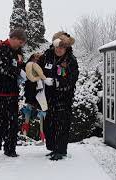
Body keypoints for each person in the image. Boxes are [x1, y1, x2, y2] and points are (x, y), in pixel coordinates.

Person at [0, 29, 27, 162]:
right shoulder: (0, 48)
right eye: (20, 42)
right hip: (0, 92)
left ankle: (10, 149)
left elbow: (21, 64)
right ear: (14, 38)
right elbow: (2, 68)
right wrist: (18, 72)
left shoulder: (18, 51)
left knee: (13, 122)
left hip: (13, 92)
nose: (20, 45)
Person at [39, 31, 79, 161]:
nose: (59, 49)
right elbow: (37, 68)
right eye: (57, 46)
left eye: (62, 47)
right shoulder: (46, 56)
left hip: (63, 98)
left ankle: (60, 151)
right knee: (48, 125)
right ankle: (52, 148)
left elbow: (72, 79)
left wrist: (56, 82)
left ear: (66, 48)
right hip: (48, 98)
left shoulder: (71, 61)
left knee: (61, 125)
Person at [21, 53, 48, 145]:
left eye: (38, 58)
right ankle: (24, 136)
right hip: (31, 92)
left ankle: (43, 138)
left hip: (39, 92)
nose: (36, 59)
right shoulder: (28, 66)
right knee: (28, 114)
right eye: (34, 57)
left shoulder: (41, 67)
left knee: (41, 116)